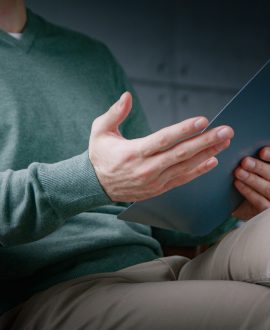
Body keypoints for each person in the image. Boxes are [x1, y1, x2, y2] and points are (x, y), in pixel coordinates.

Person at [1, 1, 270, 329]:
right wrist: (91, 178)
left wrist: (228, 203)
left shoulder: (89, 56)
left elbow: (148, 203)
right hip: (48, 295)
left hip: (153, 270)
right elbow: (100, 180)